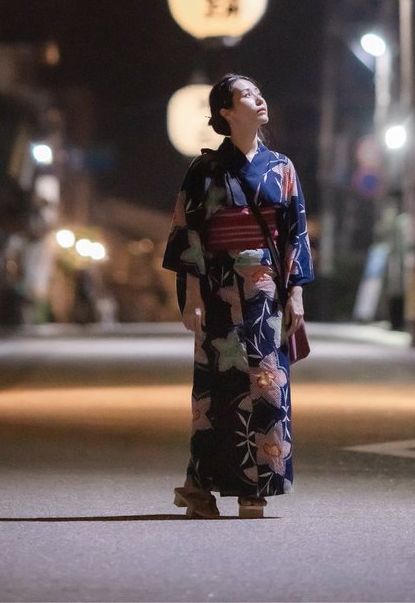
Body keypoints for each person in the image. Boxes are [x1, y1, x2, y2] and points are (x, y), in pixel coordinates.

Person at [162, 73, 314, 519]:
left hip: (266, 291)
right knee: (218, 391)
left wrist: (296, 293)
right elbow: (186, 231)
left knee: (268, 386)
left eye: (258, 91)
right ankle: (202, 486)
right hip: (217, 289)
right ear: (225, 112)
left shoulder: (281, 168)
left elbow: (295, 234)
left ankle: (256, 490)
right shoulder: (204, 170)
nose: (259, 98)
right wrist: (192, 293)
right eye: (247, 95)